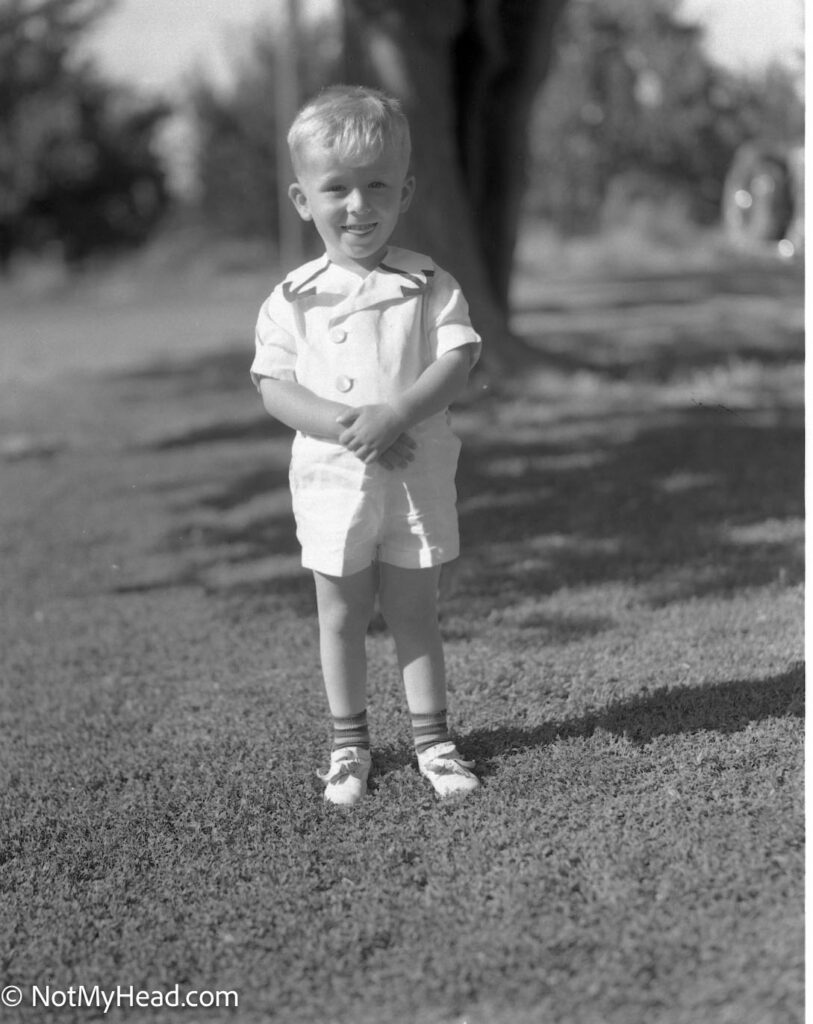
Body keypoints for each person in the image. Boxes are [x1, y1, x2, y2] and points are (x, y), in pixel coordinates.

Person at [251, 85, 481, 806]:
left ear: (405, 190)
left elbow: (458, 358)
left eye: (377, 185)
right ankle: (348, 747)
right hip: (330, 481)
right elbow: (273, 385)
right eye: (337, 188)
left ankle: (433, 741)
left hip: (413, 482)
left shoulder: (427, 284)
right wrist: (347, 426)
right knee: (341, 614)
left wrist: (398, 413)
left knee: (414, 611)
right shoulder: (291, 297)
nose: (358, 205)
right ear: (301, 199)